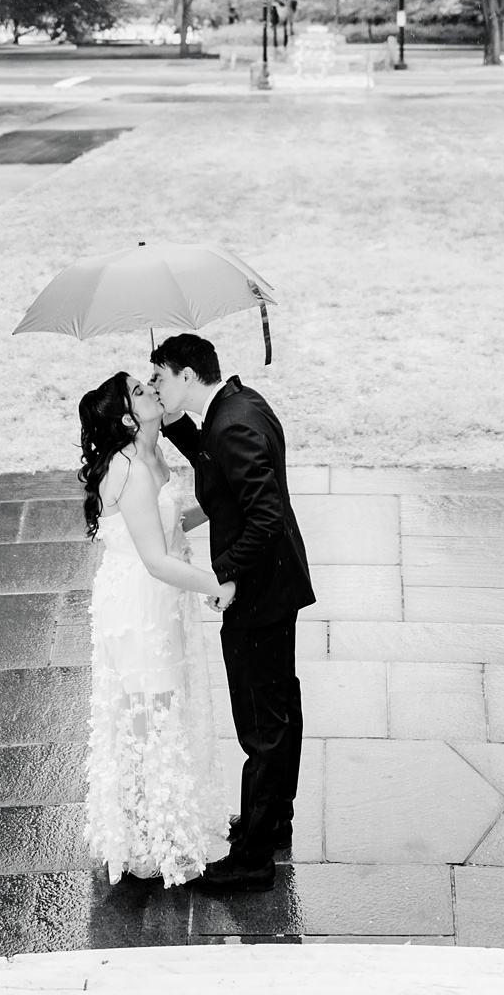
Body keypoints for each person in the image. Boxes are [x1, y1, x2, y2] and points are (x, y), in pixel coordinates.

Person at [151, 331, 315, 895]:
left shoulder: (232, 423)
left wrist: (227, 577)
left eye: (162, 377)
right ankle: (273, 823)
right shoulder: (238, 406)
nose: (155, 386)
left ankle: (252, 859)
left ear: (188, 375)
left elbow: (264, 516)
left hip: (259, 592)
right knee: (278, 708)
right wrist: (172, 424)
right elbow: (215, 459)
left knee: (261, 723)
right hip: (275, 587)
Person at [76, 369, 233, 886]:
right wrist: (214, 582)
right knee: (148, 711)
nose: (154, 391)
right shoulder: (132, 469)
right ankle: (150, 833)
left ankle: (160, 820)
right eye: (141, 392)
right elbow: (155, 559)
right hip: (138, 605)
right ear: (127, 416)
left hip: (160, 601)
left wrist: (216, 503)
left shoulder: (153, 454)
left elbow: (166, 524)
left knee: (162, 705)